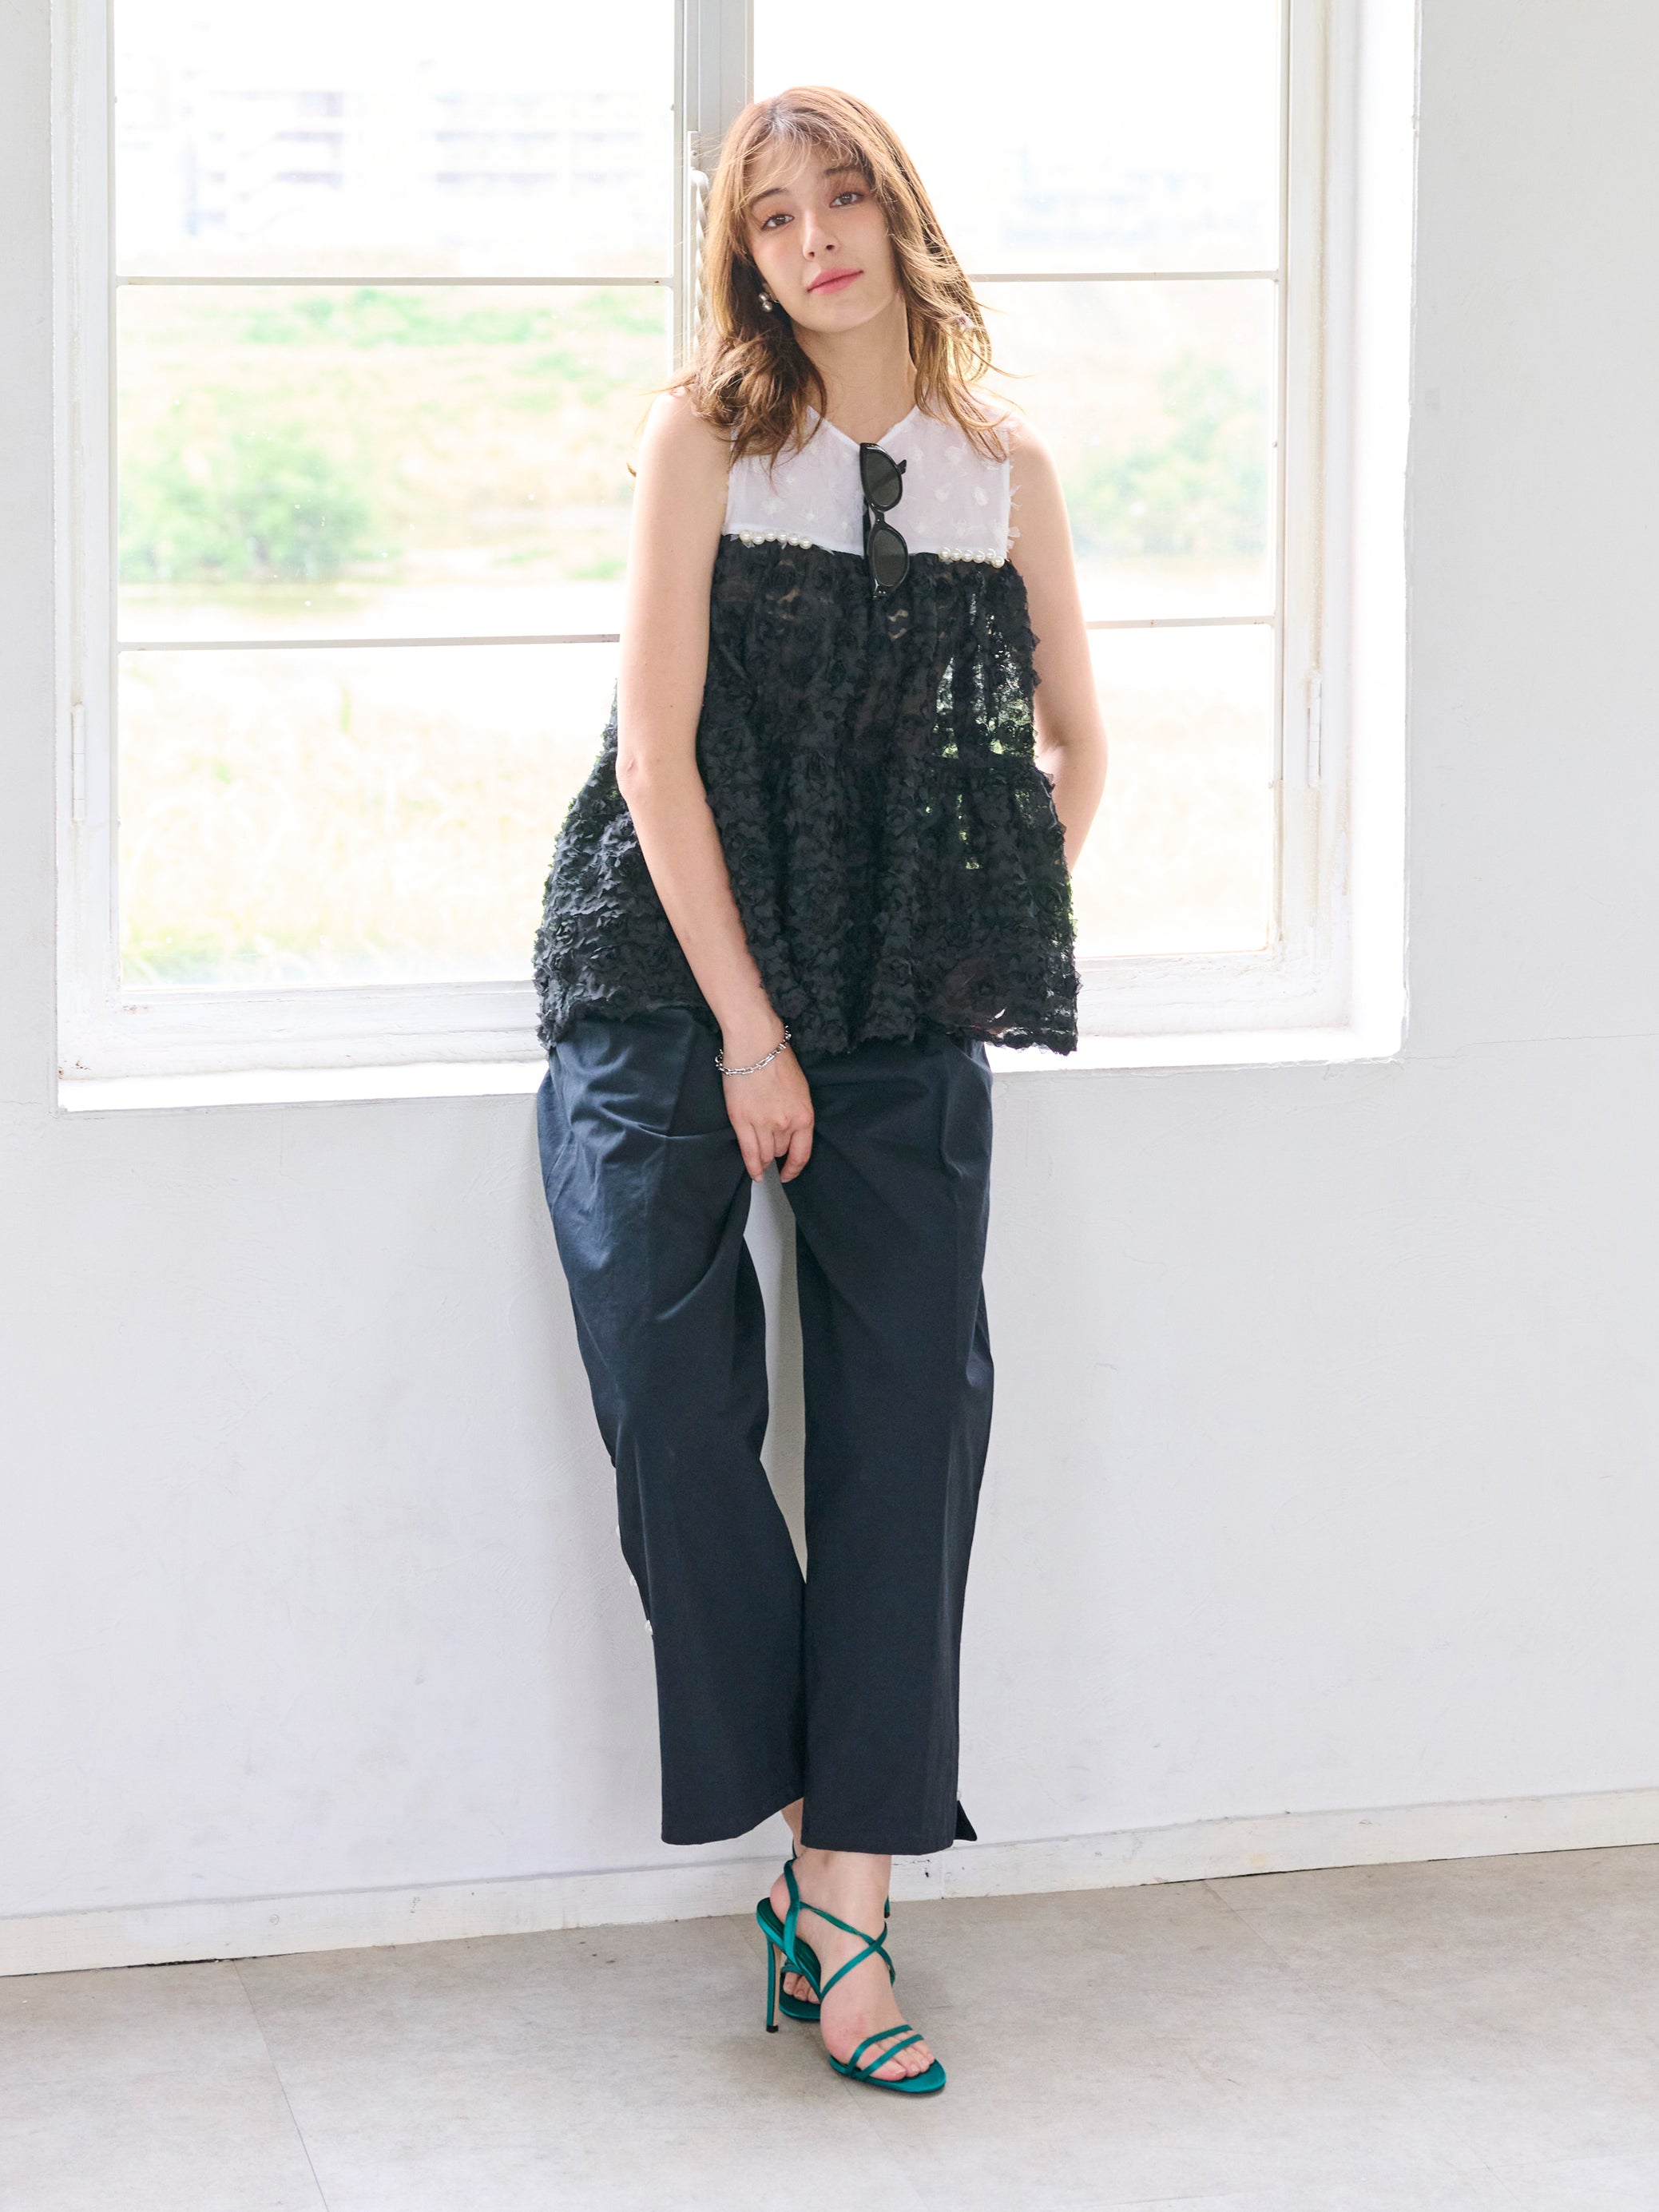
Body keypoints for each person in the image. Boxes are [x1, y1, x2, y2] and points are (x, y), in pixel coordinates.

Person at [531, 84, 1106, 2095]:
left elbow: (1076, 745)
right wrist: (750, 1033)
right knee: (668, 1379)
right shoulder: (704, 436)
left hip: (892, 986)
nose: (813, 239)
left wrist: (961, 919)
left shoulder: (999, 468)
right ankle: (813, 1815)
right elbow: (656, 754)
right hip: (668, 959)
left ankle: (843, 1904)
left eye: (840, 195)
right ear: (745, 260)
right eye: (771, 217)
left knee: (914, 1412)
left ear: (897, 212)